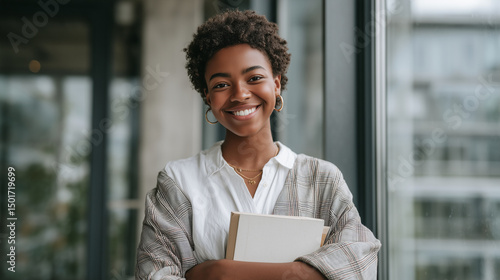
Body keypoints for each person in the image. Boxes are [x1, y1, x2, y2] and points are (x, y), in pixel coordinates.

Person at [135, 9, 381, 280]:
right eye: (221, 84)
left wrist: (219, 272)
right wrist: (307, 272)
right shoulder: (179, 182)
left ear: (276, 85)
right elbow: (154, 274)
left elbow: (358, 265)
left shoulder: (321, 179)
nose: (240, 94)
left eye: (254, 78)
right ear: (207, 96)